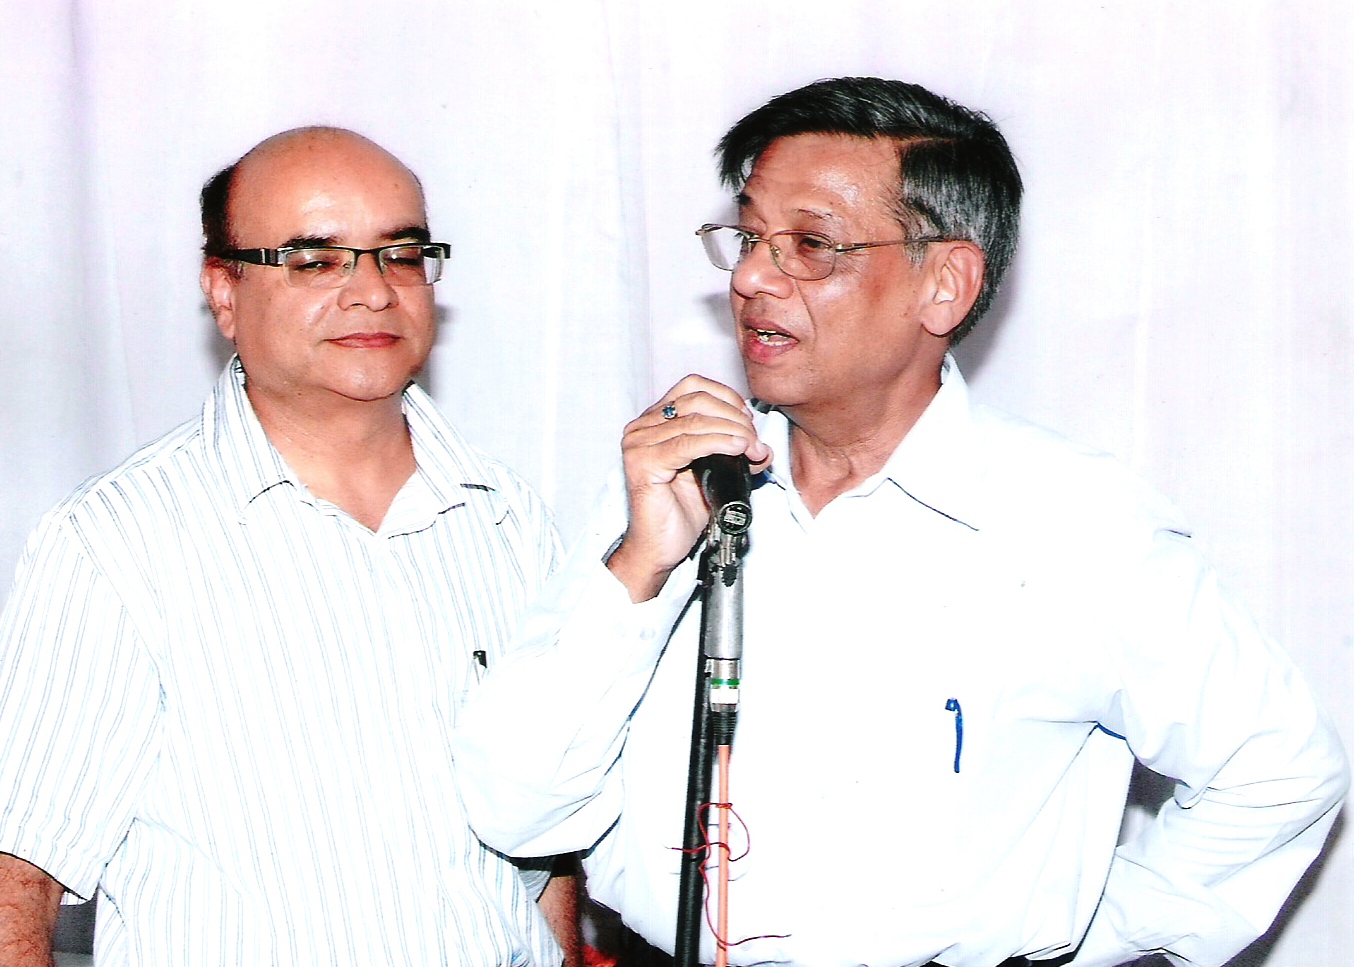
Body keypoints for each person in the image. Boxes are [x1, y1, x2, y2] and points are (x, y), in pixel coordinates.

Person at [452, 78, 1348, 967]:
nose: (753, 278)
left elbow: (1277, 768)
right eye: (750, 237)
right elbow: (515, 808)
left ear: (945, 285)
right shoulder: (676, 488)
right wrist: (642, 564)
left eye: (810, 244)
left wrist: (1087, 934)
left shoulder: (1074, 523)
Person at [0, 127, 578, 966]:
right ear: (223, 292)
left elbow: (547, 846)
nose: (372, 292)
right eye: (315, 260)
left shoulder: (508, 521)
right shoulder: (117, 542)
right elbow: (20, 879)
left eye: (401, 255)